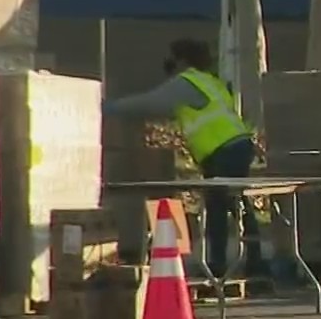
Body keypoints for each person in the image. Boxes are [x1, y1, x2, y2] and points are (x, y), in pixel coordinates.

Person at [103, 38, 261, 279]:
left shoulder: (186, 82)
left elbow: (150, 102)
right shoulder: (210, 81)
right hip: (234, 146)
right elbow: (170, 110)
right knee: (235, 203)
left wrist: (105, 107)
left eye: (171, 58)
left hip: (224, 150)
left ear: (181, 60)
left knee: (220, 205)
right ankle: (253, 261)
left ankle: (220, 266)